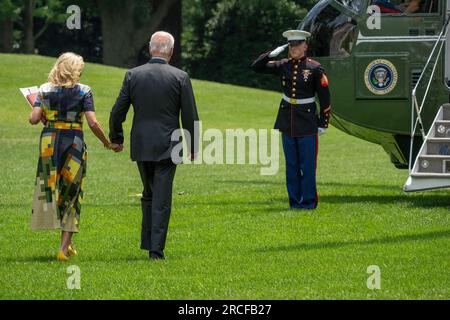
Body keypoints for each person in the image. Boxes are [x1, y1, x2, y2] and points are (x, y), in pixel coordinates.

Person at [109, 31, 199, 260]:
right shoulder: (180, 76)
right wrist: (193, 145)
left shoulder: (133, 75)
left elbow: (117, 111)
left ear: (151, 49)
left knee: (149, 193)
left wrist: (116, 138)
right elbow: (190, 115)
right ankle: (155, 251)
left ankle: (149, 242)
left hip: (141, 143)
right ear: (171, 51)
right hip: (169, 144)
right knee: (161, 197)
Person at [29, 52, 111, 262]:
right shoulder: (84, 91)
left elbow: (34, 119)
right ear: (75, 70)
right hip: (73, 141)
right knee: (72, 191)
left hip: (49, 142)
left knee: (52, 188)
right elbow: (92, 123)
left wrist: (41, 112)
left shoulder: (44, 90)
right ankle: (63, 250)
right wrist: (106, 142)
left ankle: (68, 242)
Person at [251, 30, 331, 210]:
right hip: (287, 120)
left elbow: (325, 97)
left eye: (297, 45)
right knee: (292, 166)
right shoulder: (283, 65)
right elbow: (256, 67)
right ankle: (294, 202)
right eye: (291, 45)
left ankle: (309, 202)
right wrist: (271, 54)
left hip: (307, 121)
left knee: (308, 166)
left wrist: (323, 122)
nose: (294, 48)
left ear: (305, 46)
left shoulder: (315, 68)